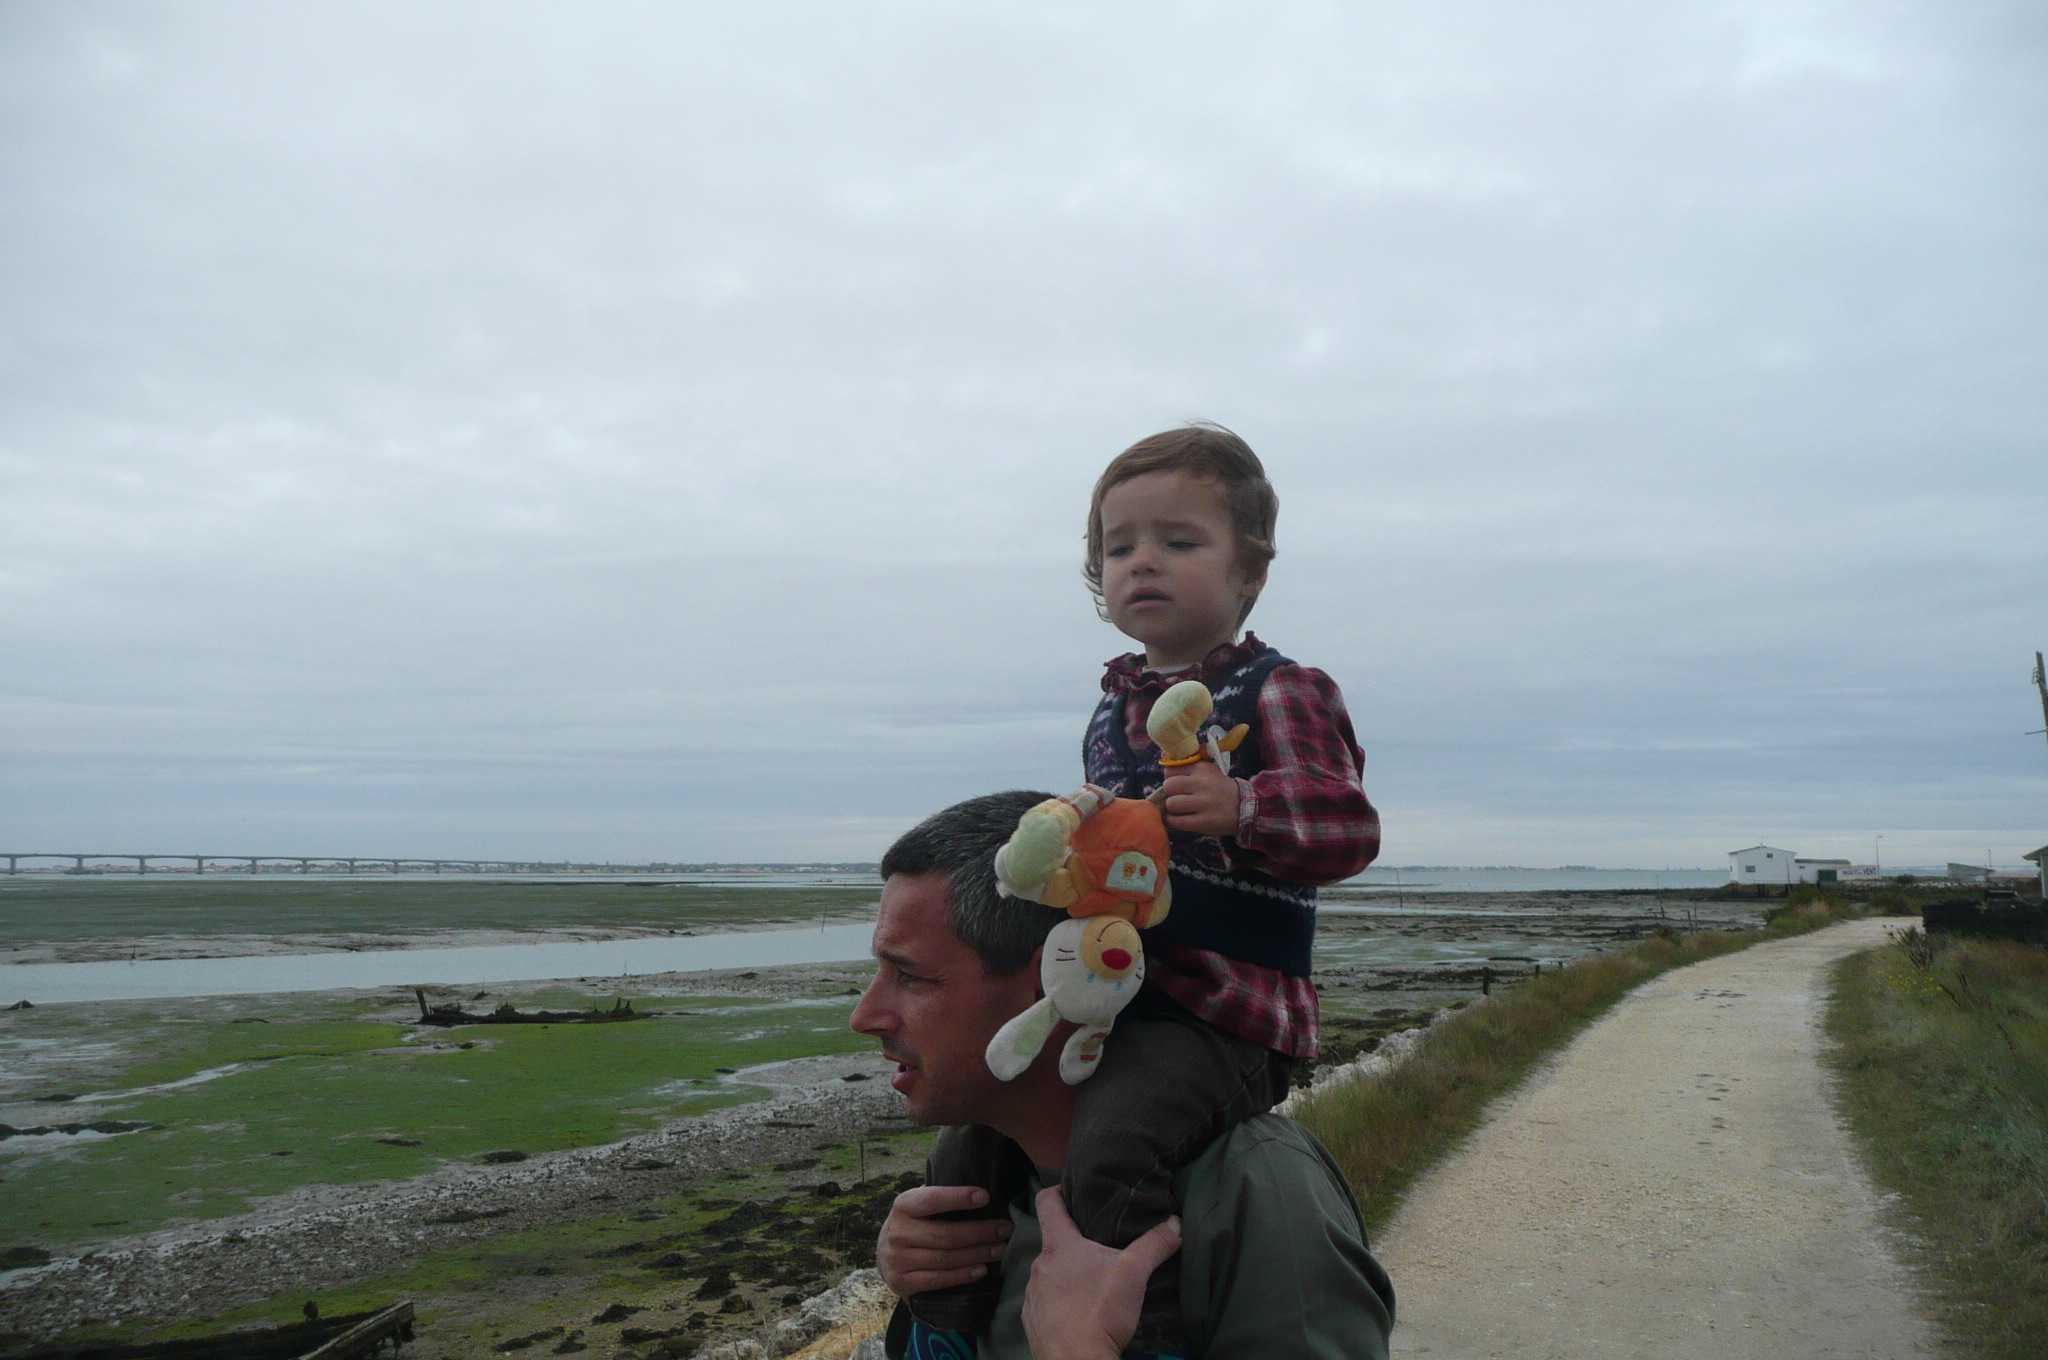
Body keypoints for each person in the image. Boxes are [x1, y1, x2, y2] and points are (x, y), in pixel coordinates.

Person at [913, 425, 1381, 1350]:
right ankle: (944, 1326)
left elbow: (1349, 829)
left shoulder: (1280, 690)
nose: (1143, 562)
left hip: (1225, 1013)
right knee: (976, 1126)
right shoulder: (1109, 711)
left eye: (1178, 540)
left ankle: (1143, 1326)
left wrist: (1245, 806)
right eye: (1120, 546)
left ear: (1250, 572)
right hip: (1115, 993)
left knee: (1119, 1144)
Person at [855, 792, 1394, 1359]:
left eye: (910, 977)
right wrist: (914, 1294)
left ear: (1057, 977)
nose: (864, 1016)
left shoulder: (1257, 1191)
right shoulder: (975, 1190)